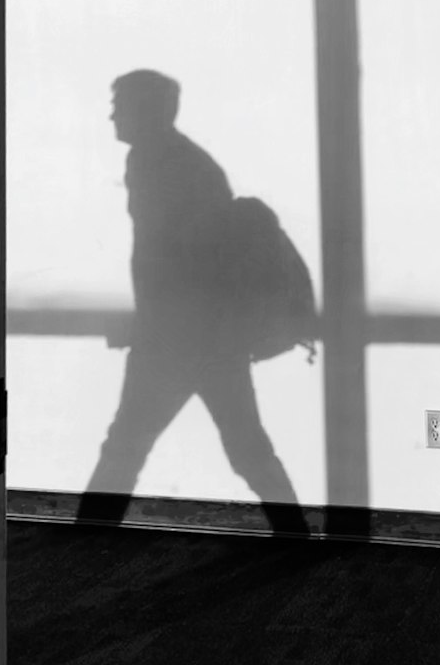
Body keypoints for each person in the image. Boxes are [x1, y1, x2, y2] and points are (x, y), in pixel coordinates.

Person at [76, 70, 309, 536]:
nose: (112, 114)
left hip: (182, 340)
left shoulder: (170, 166)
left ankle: (85, 540)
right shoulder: (165, 161)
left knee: (127, 446)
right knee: (243, 447)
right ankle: (295, 533)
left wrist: (152, 326)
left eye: (121, 104)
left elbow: (180, 265)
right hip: (203, 339)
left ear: (149, 111)